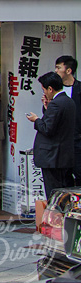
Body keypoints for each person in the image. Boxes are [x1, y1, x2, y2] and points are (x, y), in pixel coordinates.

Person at [27, 71, 77, 199]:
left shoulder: (56, 104)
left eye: (44, 90)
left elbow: (47, 128)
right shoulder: (69, 101)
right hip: (63, 155)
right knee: (64, 189)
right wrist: (47, 107)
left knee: (54, 192)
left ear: (50, 88)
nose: (44, 93)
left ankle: (55, 217)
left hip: (52, 156)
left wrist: (36, 119)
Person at [56, 55, 81, 185]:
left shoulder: (79, 88)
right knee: (63, 176)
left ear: (68, 70)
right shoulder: (55, 90)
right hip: (61, 140)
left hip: (78, 139)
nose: (56, 71)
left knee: (79, 172)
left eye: (58, 67)